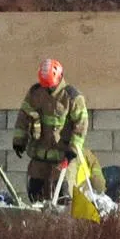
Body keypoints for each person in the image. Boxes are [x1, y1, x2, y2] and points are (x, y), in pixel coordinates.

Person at [12, 57, 89, 203]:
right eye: (45, 85)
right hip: (40, 155)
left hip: (63, 157)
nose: (48, 89)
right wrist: (19, 140)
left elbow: (81, 124)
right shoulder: (35, 93)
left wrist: (73, 149)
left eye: (50, 86)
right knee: (35, 193)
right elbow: (24, 116)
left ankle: (62, 225)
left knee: (62, 195)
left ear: (60, 77)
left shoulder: (72, 97)